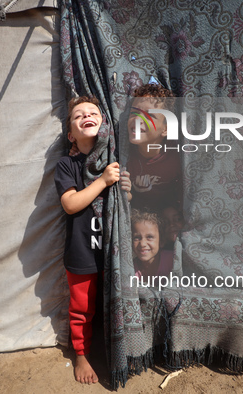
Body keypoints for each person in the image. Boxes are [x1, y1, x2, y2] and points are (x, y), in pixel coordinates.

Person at [54, 96, 120, 384]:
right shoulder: (67, 165)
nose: (86, 116)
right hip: (82, 252)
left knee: (116, 302)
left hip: (113, 250)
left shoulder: (114, 160)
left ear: (103, 123)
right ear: (71, 134)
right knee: (82, 309)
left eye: (93, 113)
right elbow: (70, 204)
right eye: (78, 115)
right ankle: (80, 354)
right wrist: (103, 181)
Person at [120, 83, 181, 212]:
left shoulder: (177, 157)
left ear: (166, 129)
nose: (138, 119)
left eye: (150, 116)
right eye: (134, 112)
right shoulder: (123, 154)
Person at [131, 209, 173, 279]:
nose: (142, 244)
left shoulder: (172, 260)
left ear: (161, 241)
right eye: (136, 238)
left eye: (149, 237)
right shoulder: (130, 268)